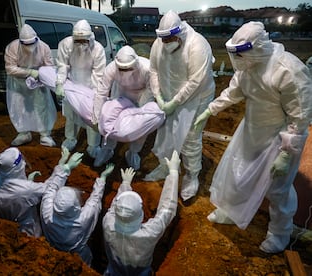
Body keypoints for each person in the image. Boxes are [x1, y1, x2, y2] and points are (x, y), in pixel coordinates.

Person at [194, 21, 312, 253]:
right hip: (250, 130)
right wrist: (211, 110)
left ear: (257, 48)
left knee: (278, 189)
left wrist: (287, 155)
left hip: (280, 137)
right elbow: (233, 92)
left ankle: (280, 234)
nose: (237, 59)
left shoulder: (288, 70)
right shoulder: (247, 66)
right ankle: (229, 211)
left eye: (241, 53)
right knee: (236, 172)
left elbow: (299, 117)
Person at [144, 10, 215, 202]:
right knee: (167, 131)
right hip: (168, 95)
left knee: (191, 136)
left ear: (180, 33)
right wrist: (158, 96)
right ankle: (165, 165)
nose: (166, 44)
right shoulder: (158, 44)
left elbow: (195, 82)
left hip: (197, 97)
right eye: (164, 40)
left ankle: (192, 175)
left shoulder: (198, 46)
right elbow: (153, 71)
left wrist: (175, 102)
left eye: (170, 39)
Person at [102, 150, 180, 275]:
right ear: (140, 214)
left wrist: (125, 184)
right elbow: (167, 210)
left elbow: (114, 207)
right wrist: (173, 173)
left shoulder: (108, 223)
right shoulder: (149, 233)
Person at [0, 147, 81, 237]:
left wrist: (28, 182)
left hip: (8, 222)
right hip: (28, 230)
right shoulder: (27, 189)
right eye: (21, 162)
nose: (24, 163)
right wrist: (65, 168)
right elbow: (49, 189)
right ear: (16, 168)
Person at [41, 162, 115, 266]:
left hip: (54, 253)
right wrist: (103, 177)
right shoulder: (83, 219)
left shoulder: (47, 213)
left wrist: (66, 168)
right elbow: (95, 199)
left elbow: (50, 189)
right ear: (76, 205)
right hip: (80, 258)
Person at [92, 45, 154, 170]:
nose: (125, 72)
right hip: (120, 92)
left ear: (135, 63)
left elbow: (151, 90)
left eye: (128, 68)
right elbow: (102, 92)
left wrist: (139, 111)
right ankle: (107, 149)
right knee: (111, 119)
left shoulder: (147, 69)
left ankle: (133, 152)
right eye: (122, 69)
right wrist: (96, 117)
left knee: (140, 124)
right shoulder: (111, 68)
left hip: (141, 95)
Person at [55, 19, 106, 158]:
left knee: (91, 117)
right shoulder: (65, 44)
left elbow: (99, 73)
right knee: (71, 116)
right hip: (72, 85)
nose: (81, 44)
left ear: (90, 38)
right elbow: (63, 66)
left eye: (84, 41)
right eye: (78, 41)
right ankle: (71, 138)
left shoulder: (98, 49)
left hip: (90, 87)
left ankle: (93, 145)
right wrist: (60, 83)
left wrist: (95, 95)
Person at [4, 23, 57, 147]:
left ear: (36, 39)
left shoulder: (44, 47)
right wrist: (29, 72)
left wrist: (43, 77)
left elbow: (49, 67)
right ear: (21, 42)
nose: (30, 47)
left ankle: (45, 135)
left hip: (38, 80)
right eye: (26, 44)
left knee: (41, 106)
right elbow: (10, 68)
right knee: (18, 106)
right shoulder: (12, 47)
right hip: (18, 82)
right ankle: (23, 133)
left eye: (32, 43)